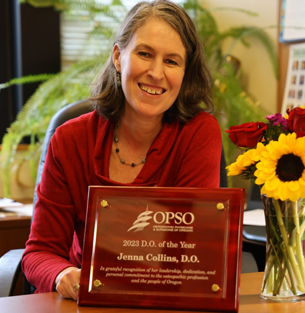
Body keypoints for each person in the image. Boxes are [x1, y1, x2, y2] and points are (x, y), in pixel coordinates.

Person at [22, 0, 222, 301]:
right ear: (118, 56)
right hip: (87, 301)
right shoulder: (70, 140)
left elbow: (189, 249)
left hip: (165, 301)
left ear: (184, 72)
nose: (156, 73)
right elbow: (40, 253)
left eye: (172, 61)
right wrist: (63, 275)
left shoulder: (198, 134)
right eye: (144, 54)